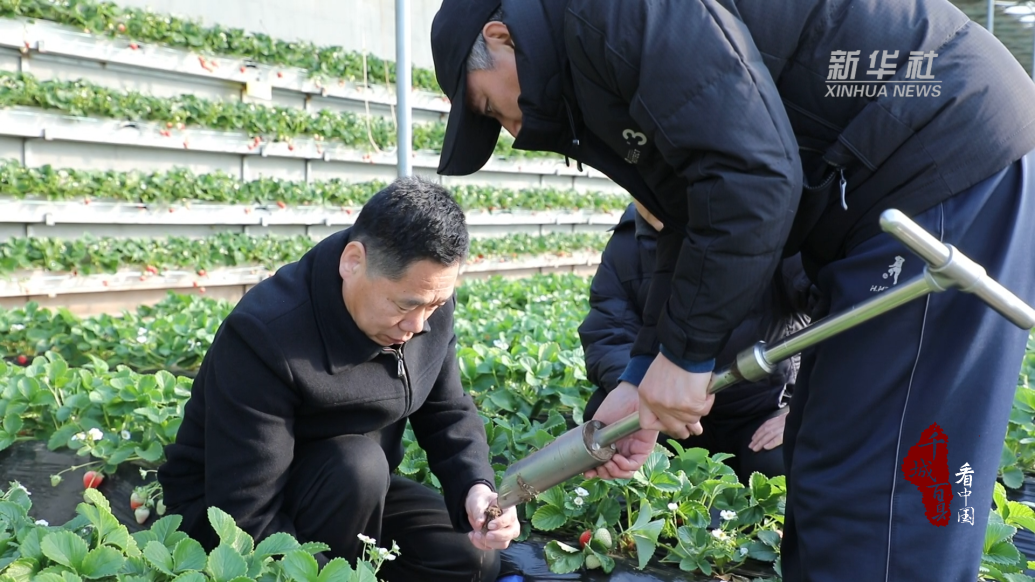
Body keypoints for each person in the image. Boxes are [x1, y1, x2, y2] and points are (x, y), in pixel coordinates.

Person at [429, 1, 1035, 580]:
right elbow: (691, 213)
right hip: (881, 189)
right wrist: (643, 374)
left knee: (881, 491)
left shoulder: (610, 13)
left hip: (939, 162)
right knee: (824, 470)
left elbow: (755, 175)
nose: (510, 129)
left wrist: (687, 355)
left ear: (501, 38)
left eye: (490, 107)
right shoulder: (598, 52)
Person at [157, 177, 520, 581]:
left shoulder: (426, 298)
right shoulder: (265, 335)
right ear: (353, 262)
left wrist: (476, 487)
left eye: (434, 305)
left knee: (474, 559)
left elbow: (447, 410)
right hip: (236, 508)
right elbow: (245, 512)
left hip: (355, 495)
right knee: (359, 467)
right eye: (406, 305)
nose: (418, 325)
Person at [579, 201, 811, 483]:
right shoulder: (627, 243)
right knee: (605, 424)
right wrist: (637, 391)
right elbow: (608, 331)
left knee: (780, 466)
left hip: (759, 410)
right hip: (667, 408)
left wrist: (801, 408)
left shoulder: (754, 223)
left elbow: (835, 315)